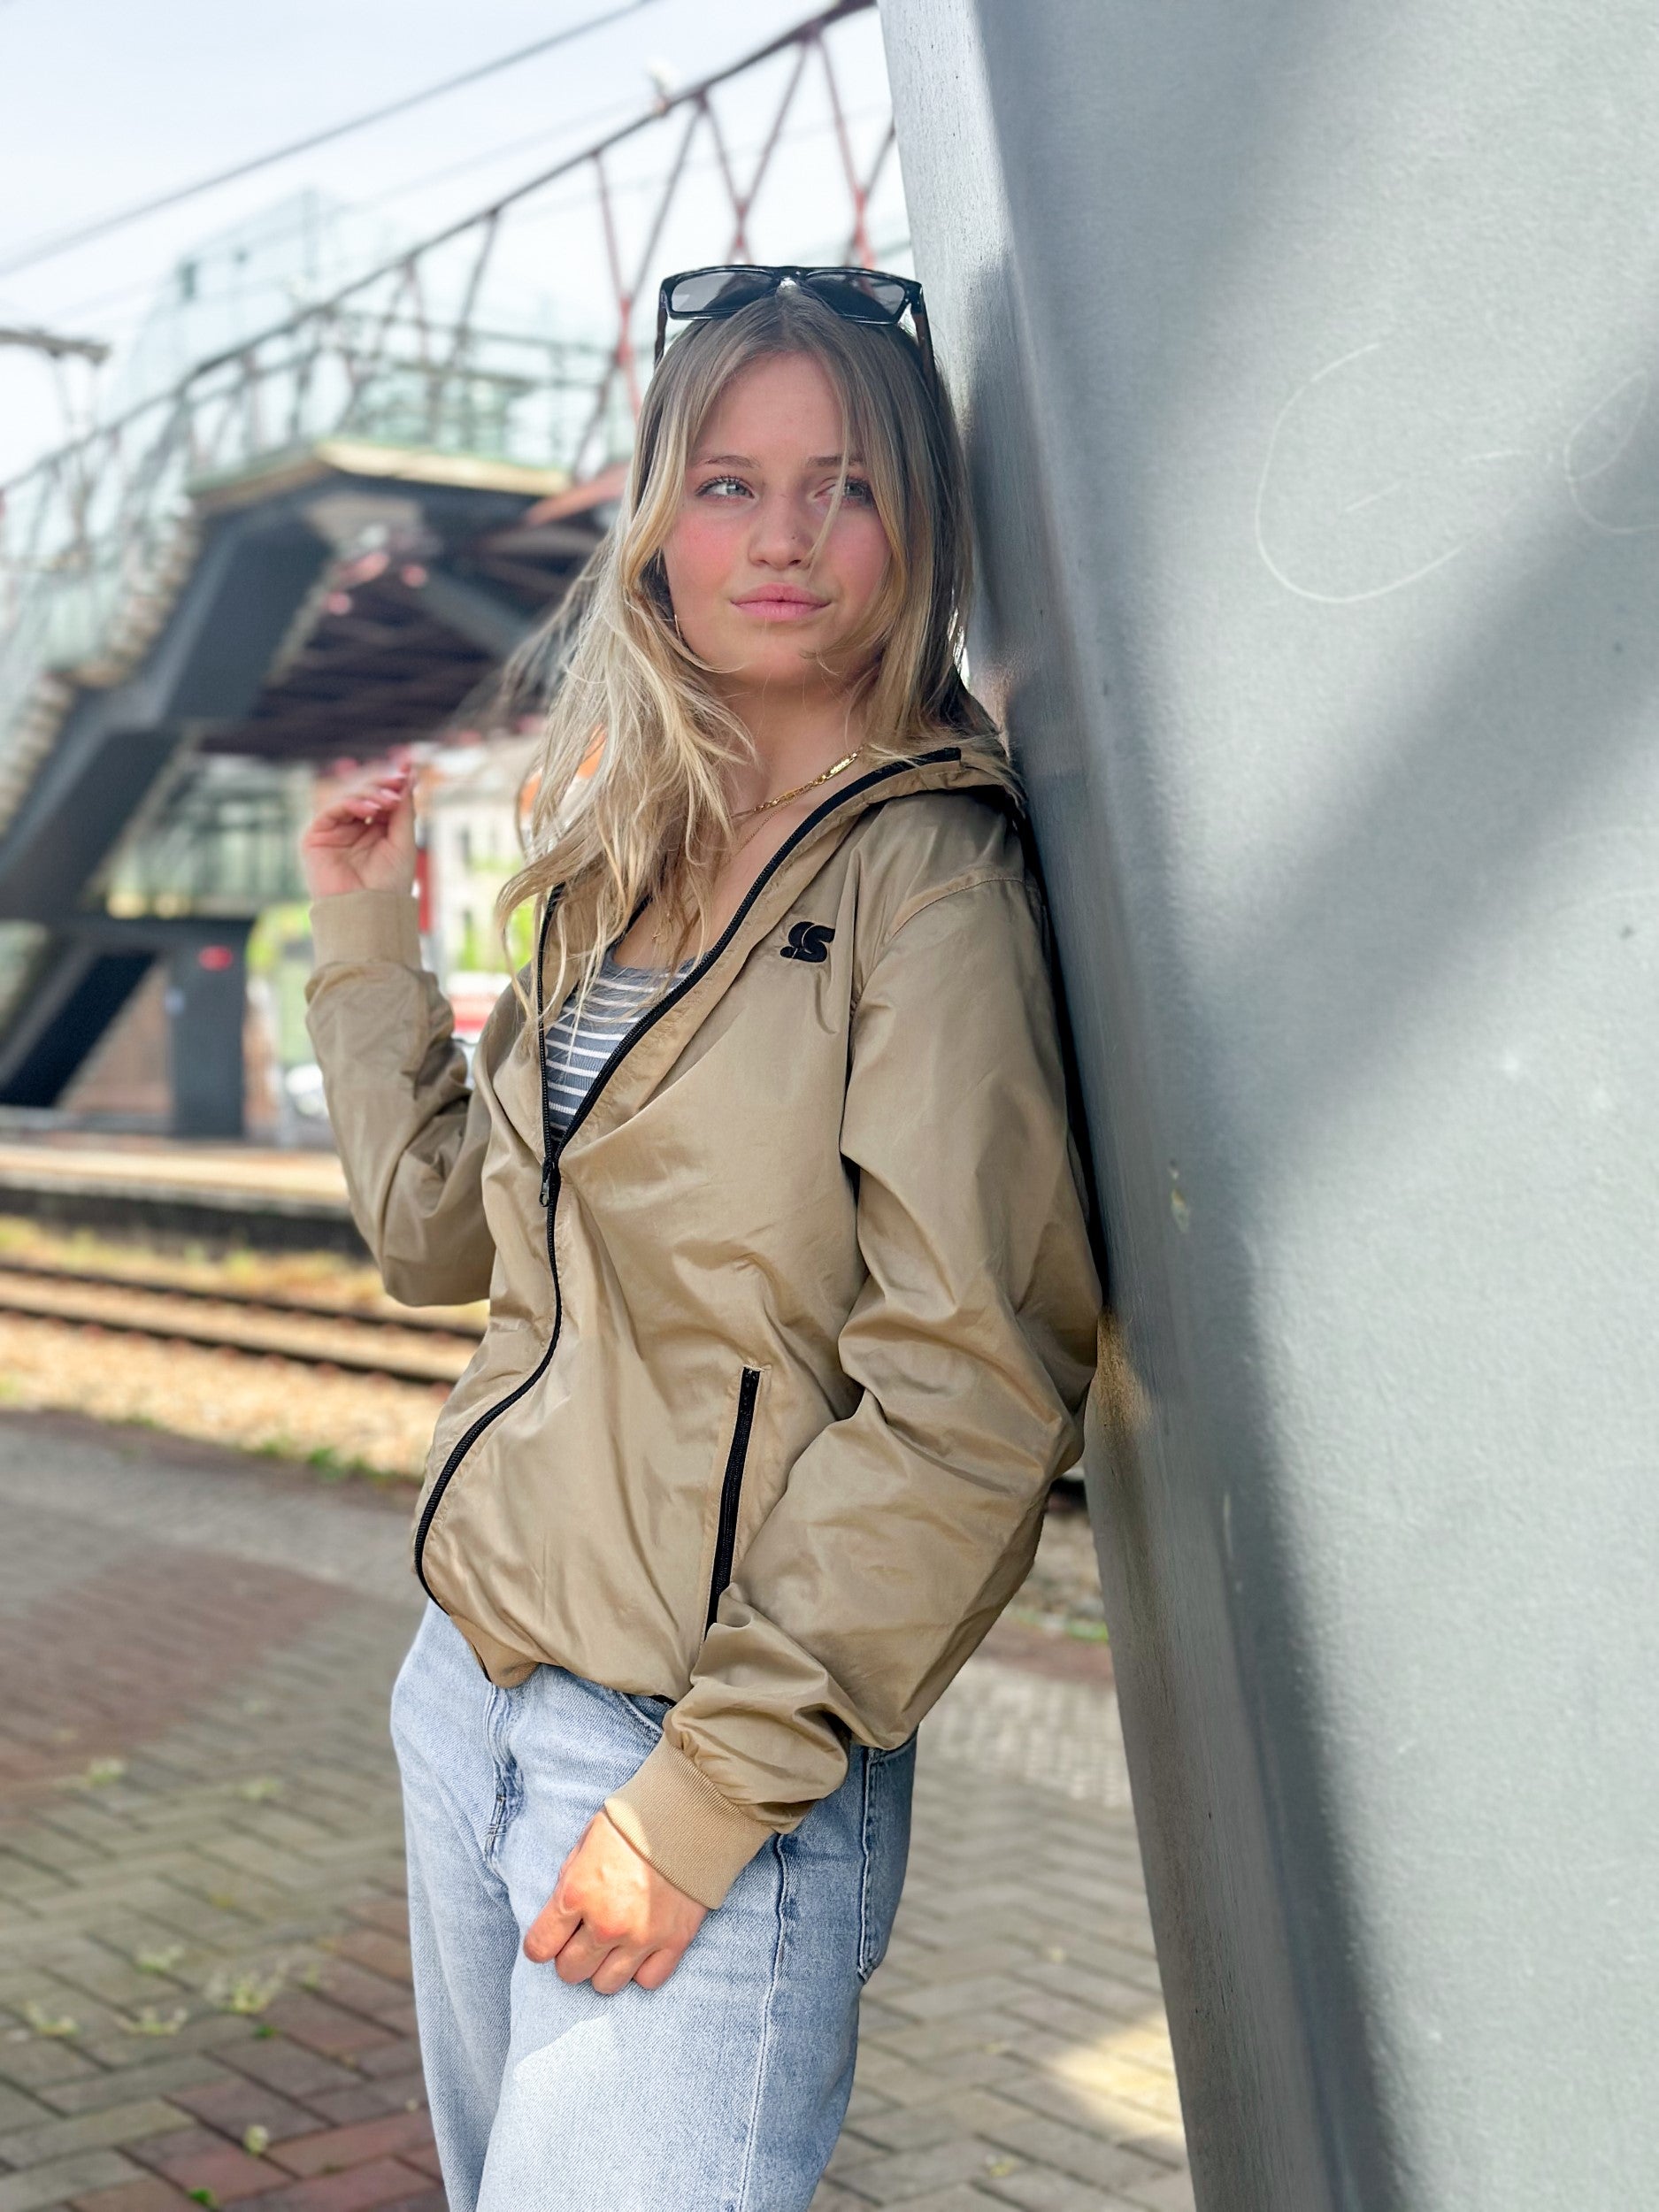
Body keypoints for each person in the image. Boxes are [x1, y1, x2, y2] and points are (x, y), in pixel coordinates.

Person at [299, 264, 1102, 2212]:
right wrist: (360, 936)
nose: (784, 537)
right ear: (659, 518)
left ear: (916, 525)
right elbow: (439, 1233)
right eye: (729, 483)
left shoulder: (929, 884)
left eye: (842, 484)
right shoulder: (619, 855)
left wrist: (703, 1790)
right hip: (468, 1697)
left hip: (687, 1761)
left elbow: (973, 1389)